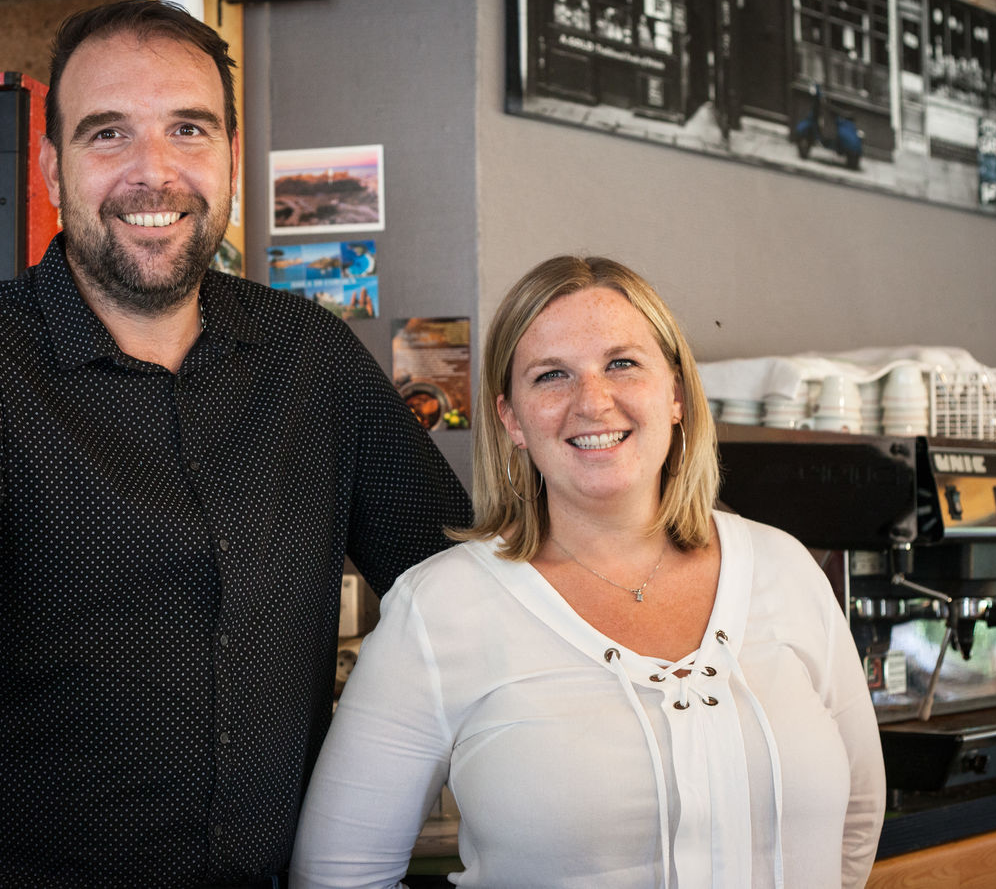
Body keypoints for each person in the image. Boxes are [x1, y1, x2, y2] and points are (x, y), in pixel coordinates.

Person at [0, 0, 470, 889]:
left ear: (231, 159)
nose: (153, 172)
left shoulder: (310, 352)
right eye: (108, 134)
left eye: (188, 129)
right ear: (52, 169)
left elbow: (458, 583)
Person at [290, 255, 886, 889]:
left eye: (622, 363)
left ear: (676, 395)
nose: (593, 402)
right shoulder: (439, 608)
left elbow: (856, 824)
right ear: (512, 420)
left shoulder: (784, 567)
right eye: (552, 375)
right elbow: (337, 878)